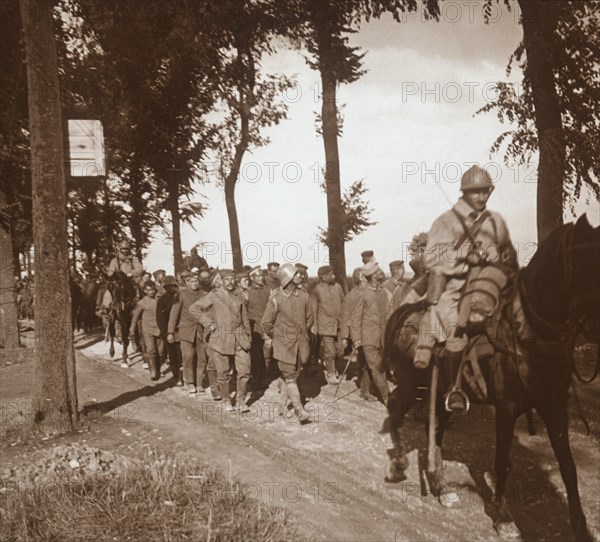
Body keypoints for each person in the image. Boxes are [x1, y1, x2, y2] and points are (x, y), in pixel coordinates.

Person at [415, 165, 513, 409]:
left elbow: (508, 250)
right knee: (454, 327)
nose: (481, 197)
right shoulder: (446, 221)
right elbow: (432, 259)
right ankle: (454, 390)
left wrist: (502, 259)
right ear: (464, 193)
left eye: (485, 192)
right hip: (456, 285)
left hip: (493, 283)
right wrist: (465, 256)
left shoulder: (496, 221)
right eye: (476, 192)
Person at [190, 269, 252, 412]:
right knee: (223, 373)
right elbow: (194, 308)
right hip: (221, 338)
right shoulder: (214, 295)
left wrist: (248, 336)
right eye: (227, 279)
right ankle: (226, 400)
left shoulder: (239, 295)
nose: (230, 282)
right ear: (222, 281)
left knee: (244, 371)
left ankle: (241, 401)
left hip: (240, 337)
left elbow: (244, 318)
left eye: (232, 279)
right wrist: (209, 324)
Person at [261, 263, 314, 424]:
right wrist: (279, 337)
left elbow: (310, 319)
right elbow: (265, 323)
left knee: (291, 376)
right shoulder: (276, 299)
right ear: (287, 279)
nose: (300, 276)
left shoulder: (304, 296)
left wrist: (302, 334)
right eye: (296, 274)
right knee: (290, 377)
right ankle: (299, 410)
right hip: (284, 347)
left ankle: (282, 407)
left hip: (300, 345)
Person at [167, 271, 219, 398]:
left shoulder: (204, 295)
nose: (194, 284)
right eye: (192, 281)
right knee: (188, 356)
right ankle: (190, 382)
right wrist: (170, 332)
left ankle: (199, 383)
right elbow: (174, 314)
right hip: (186, 331)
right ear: (187, 282)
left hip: (201, 332)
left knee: (202, 358)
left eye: (196, 281)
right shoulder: (181, 294)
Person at [349, 261, 390, 405]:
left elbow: (386, 316)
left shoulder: (382, 292)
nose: (380, 271)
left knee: (368, 365)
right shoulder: (362, 294)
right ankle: (387, 397)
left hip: (381, 338)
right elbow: (355, 318)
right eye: (377, 270)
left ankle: (364, 392)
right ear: (372, 275)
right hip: (368, 338)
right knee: (378, 367)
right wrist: (356, 338)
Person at [311, 265, 345, 385]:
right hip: (325, 324)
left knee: (340, 351)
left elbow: (343, 302)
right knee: (330, 351)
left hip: (339, 324)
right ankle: (330, 373)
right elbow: (313, 309)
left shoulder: (338, 287)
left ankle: (328, 362)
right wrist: (314, 325)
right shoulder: (317, 290)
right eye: (331, 274)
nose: (333, 276)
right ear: (324, 277)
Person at [129, 280, 164, 381]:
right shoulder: (142, 302)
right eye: (148, 290)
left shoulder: (159, 299)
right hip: (148, 329)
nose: (151, 292)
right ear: (144, 291)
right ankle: (153, 371)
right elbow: (135, 316)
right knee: (151, 350)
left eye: (153, 290)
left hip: (160, 329)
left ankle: (158, 369)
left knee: (161, 352)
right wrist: (132, 328)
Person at [247, 266, 272, 388]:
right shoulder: (247, 292)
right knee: (256, 354)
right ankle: (256, 379)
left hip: (266, 326)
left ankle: (264, 376)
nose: (261, 278)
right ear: (252, 278)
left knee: (267, 352)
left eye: (262, 275)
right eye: (258, 276)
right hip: (254, 328)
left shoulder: (268, 290)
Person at [157, 276, 182, 385]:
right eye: (168, 286)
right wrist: (166, 333)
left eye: (173, 286)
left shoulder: (180, 298)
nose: (171, 289)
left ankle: (183, 376)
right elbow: (160, 318)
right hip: (169, 332)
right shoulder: (162, 300)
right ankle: (176, 376)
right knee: (173, 355)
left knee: (182, 355)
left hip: (181, 331)